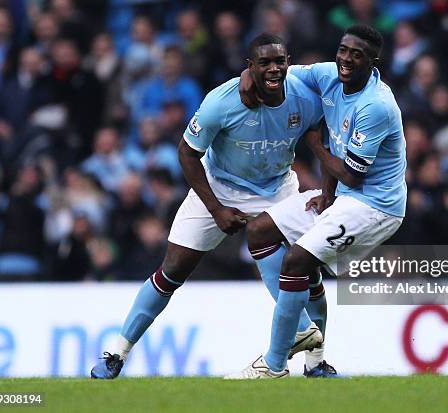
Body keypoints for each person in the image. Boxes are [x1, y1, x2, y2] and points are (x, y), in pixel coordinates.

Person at [90, 33, 330, 379]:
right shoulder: (222, 101)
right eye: (265, 62)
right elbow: (187, 153)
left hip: (278, 188)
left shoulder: (305, 97)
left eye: (280, 61)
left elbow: (322, 128)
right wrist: (216, 208)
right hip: (219, 188)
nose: (274, 68)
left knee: (308, 271)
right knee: (171, 272)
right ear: (250, 66)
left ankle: (315, 363)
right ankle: (117, 353)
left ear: (288, 62)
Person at [228, 24, 406, 378]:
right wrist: (248, 76)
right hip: (343, 195)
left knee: (296, 261)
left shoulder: (376, 106)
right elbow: (282, 71)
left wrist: (313, 145)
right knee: (260, 230)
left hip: (375, 206)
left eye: (357, 55)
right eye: (343, 50)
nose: (346, 59)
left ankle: (274, 365)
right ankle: (315, 360)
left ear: (374, 61)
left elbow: (353, 175)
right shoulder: (329, 74)